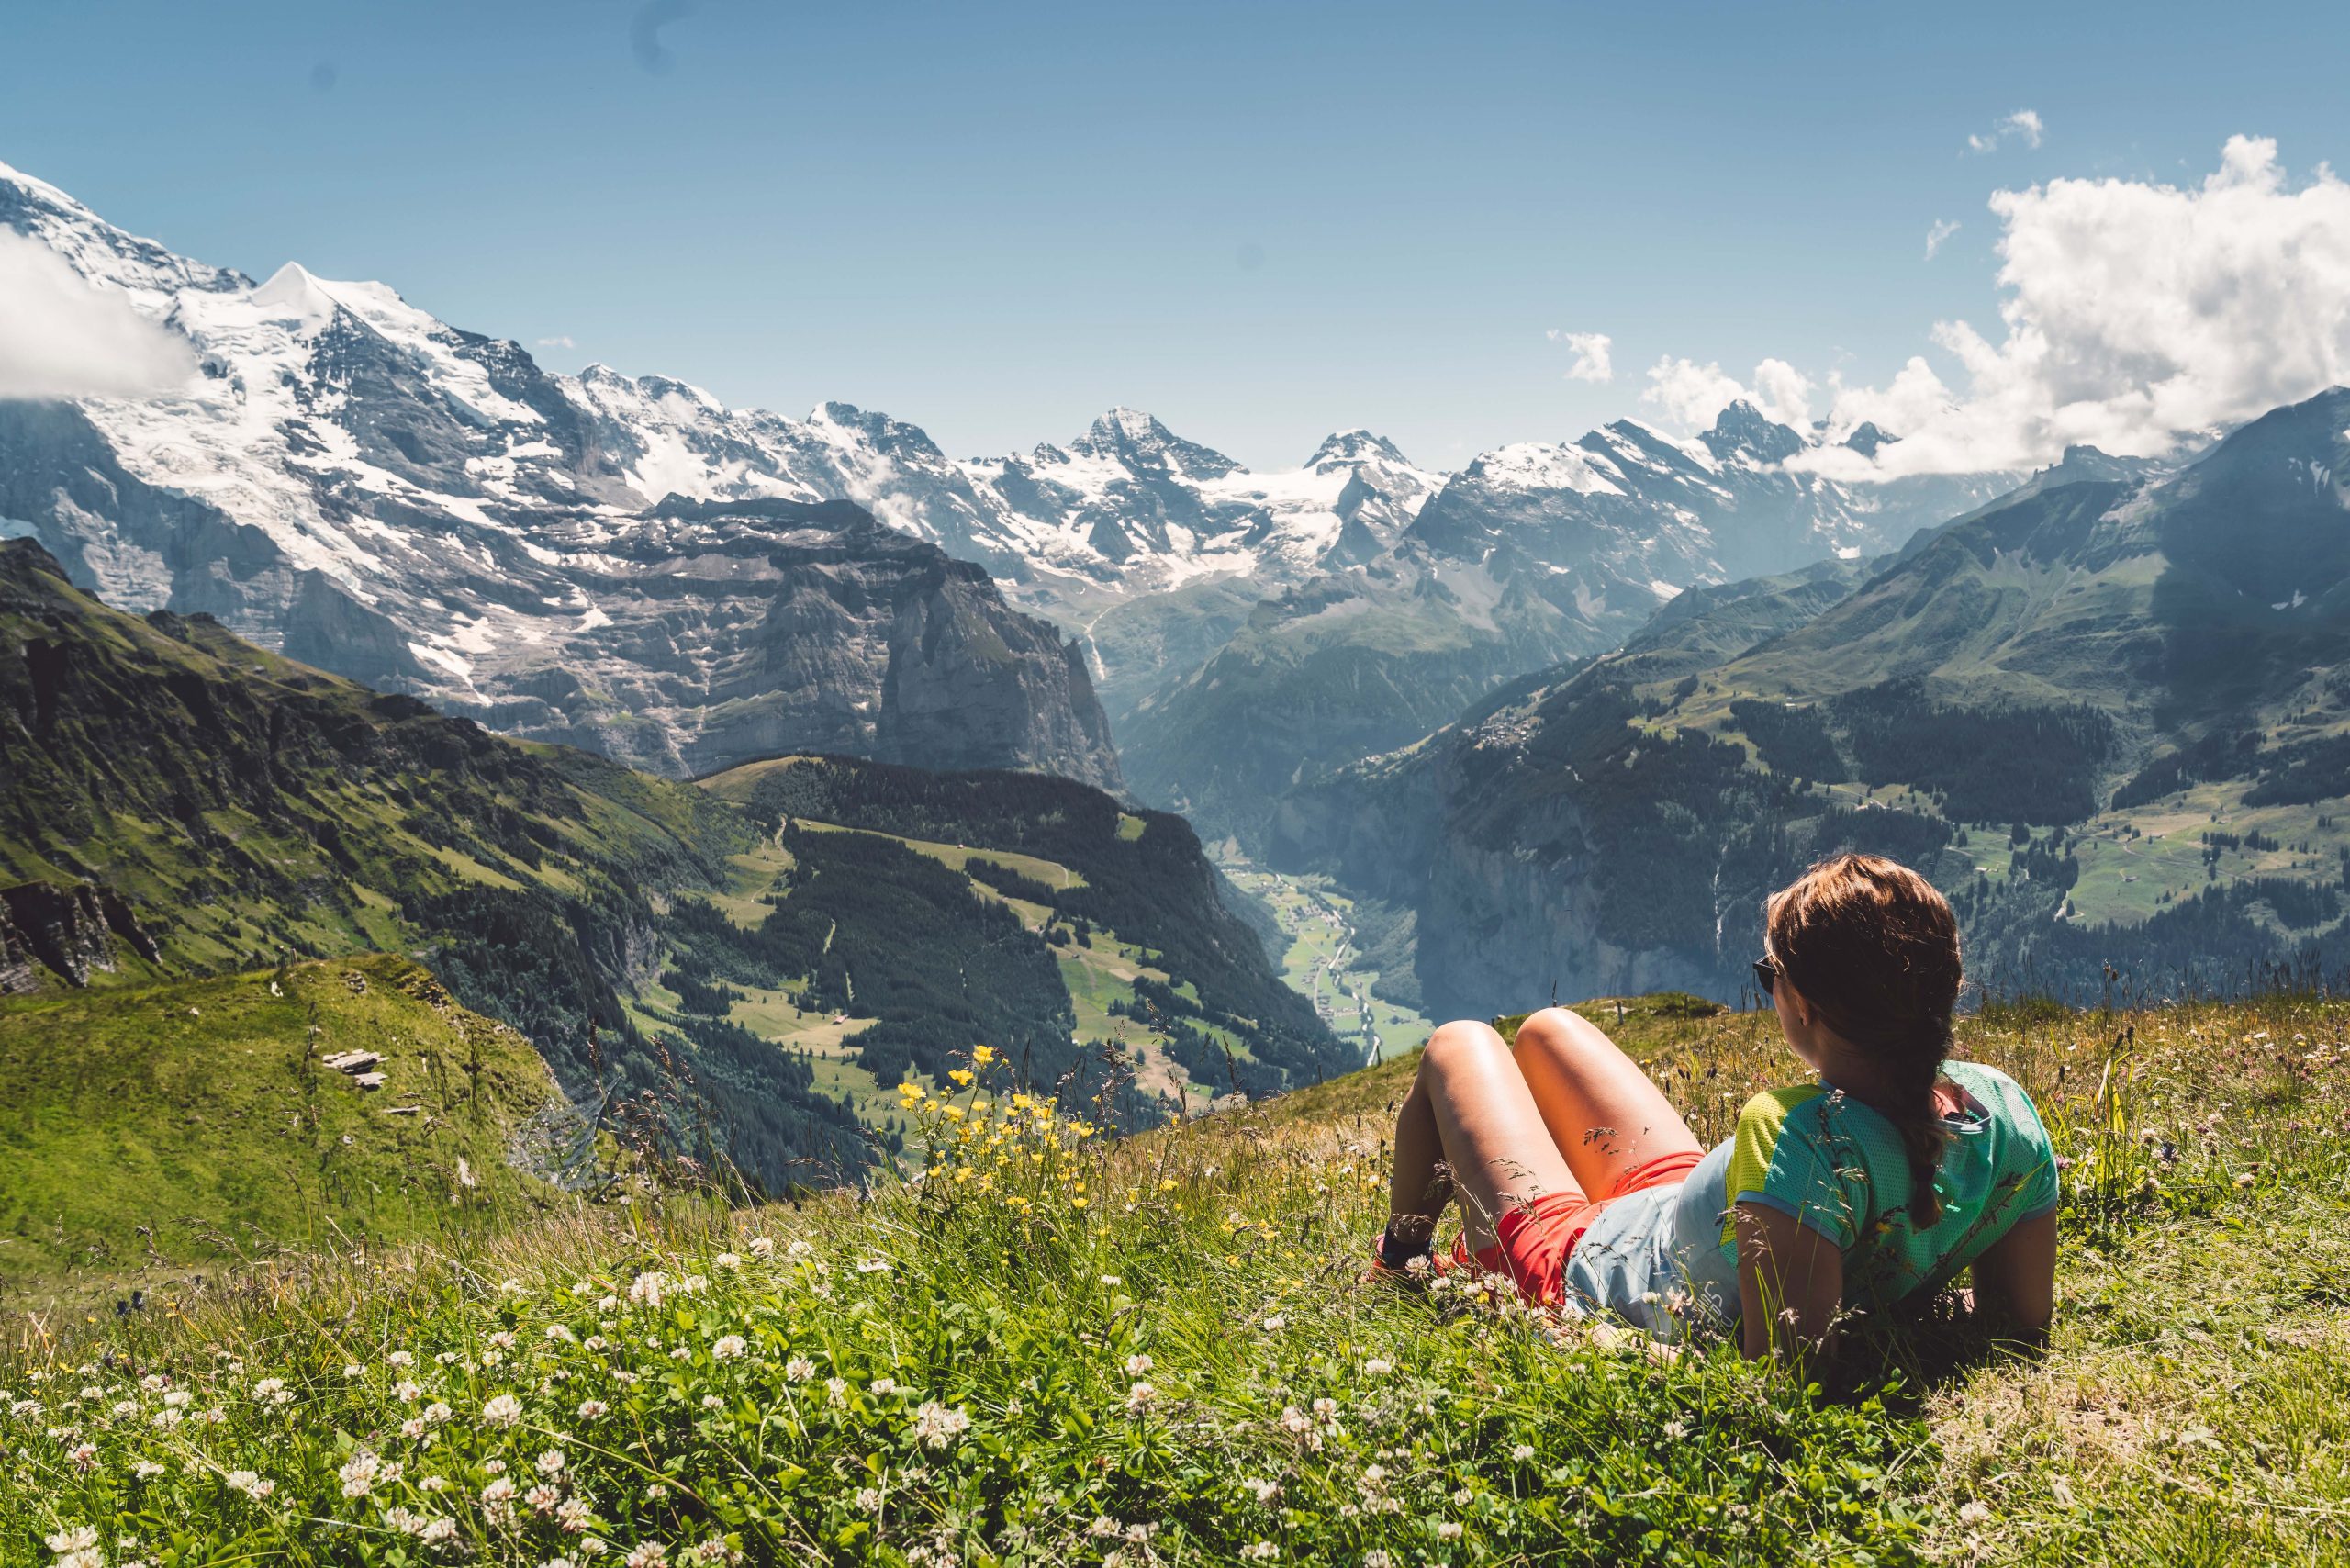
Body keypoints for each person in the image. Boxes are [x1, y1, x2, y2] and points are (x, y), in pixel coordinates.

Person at [1371, 853, 2058, 1359]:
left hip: (1583, 1271)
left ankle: (1398, 1263)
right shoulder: (2007, 1113)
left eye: (1771, 977)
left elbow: (1787, 1379)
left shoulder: (1793, 1137)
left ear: (1807, 1007)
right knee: (1550, 1028)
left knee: (1457, 1043)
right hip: (1688, 1209)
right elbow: (2021, 1322)